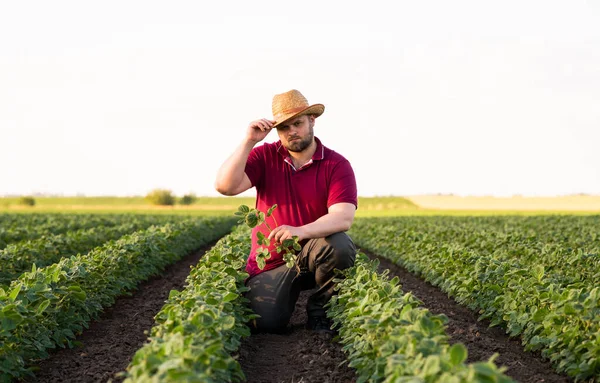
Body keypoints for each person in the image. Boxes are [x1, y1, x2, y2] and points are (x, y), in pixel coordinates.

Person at [215, 89, 357, 334]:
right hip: (272, 263)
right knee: (267, 324)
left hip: (314, 253)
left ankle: (321, 310)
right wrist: (249, 141)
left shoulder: (337, 165)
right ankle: (284, 299)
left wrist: (300, 231)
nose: (292, 132)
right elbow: (225, 186)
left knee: (339, 245)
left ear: (312, 121)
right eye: (284, 127)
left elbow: (343, 217)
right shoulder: (264, 156)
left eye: (298, 123)